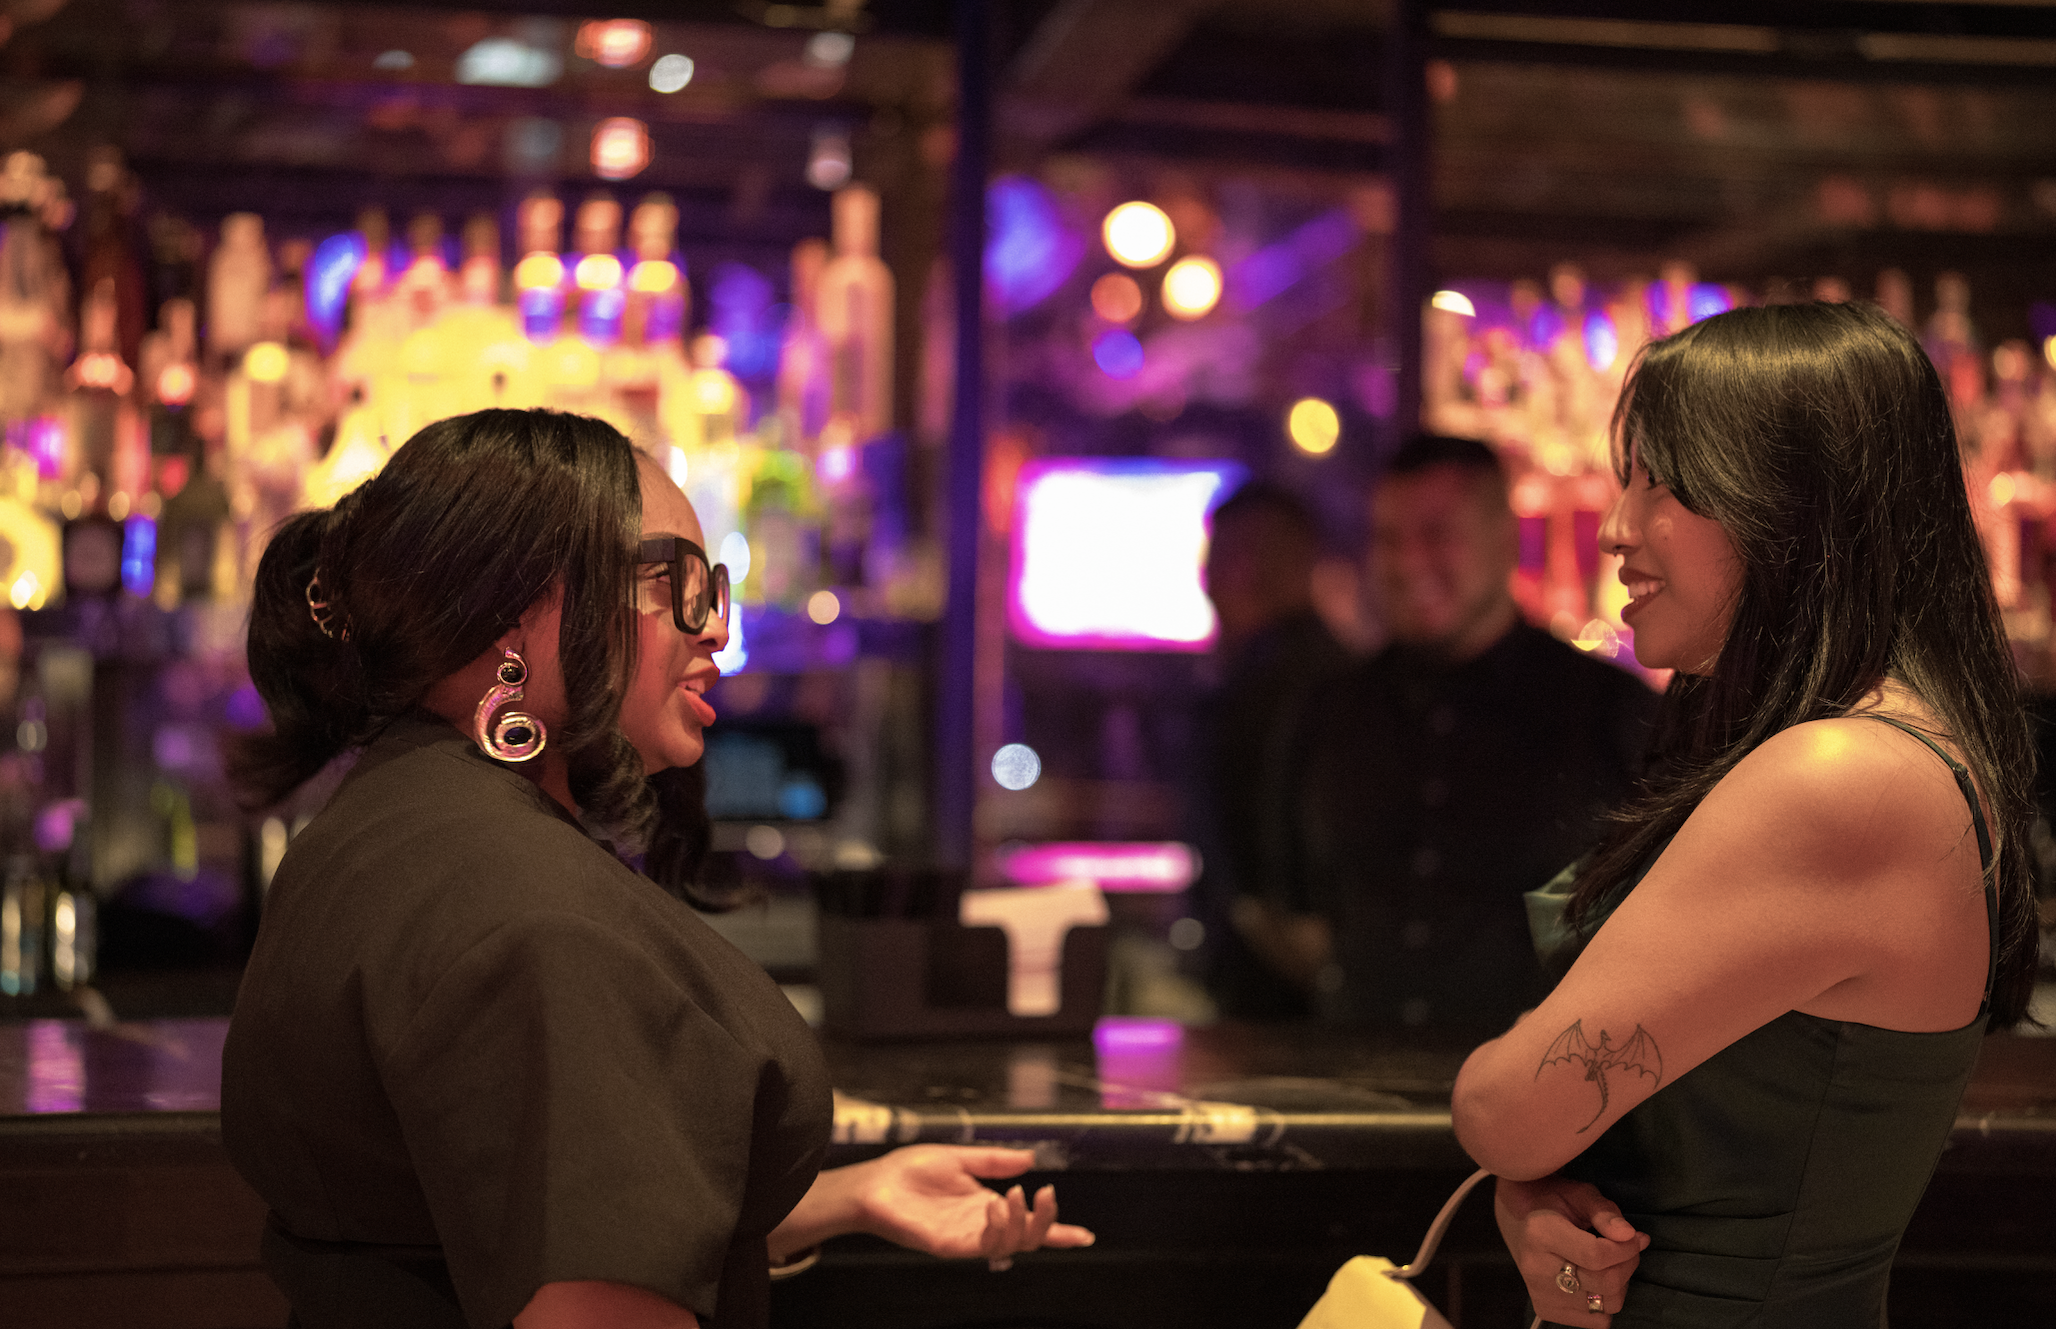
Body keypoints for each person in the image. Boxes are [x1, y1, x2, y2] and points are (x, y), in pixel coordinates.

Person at [221, 409, 1091, 1329]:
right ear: (519, 609)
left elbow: (476, 1215)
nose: (716, 628)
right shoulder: (535, 908)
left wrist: (844, 1199)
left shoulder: (392, 823)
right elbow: (586, 1303)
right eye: (676, 584)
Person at [1451, 302, 2041, 1327]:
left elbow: (1505, 1108)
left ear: (1796, 503)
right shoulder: (1862, 747)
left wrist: (1520, 1153)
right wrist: (1538, 1193)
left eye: (1664, 483)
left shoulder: (1843, 774)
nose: (1615, 527)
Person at [1260, 434, 1657, 1040]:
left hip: (1547, 1096)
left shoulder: (1607, 710)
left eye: (1437, 536)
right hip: (1355, 1088)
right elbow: (1288, 909)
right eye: (1390, 540)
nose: (1408, 562)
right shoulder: (1328, 710)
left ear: (1504, 542)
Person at [1190, 482, 1352, 1018]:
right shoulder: (1326, 671)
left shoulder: (1285, 684)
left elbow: (1273, 850)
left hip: (1286, 993)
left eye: (1224, 556)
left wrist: (1258, 919)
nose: (1209, 578)